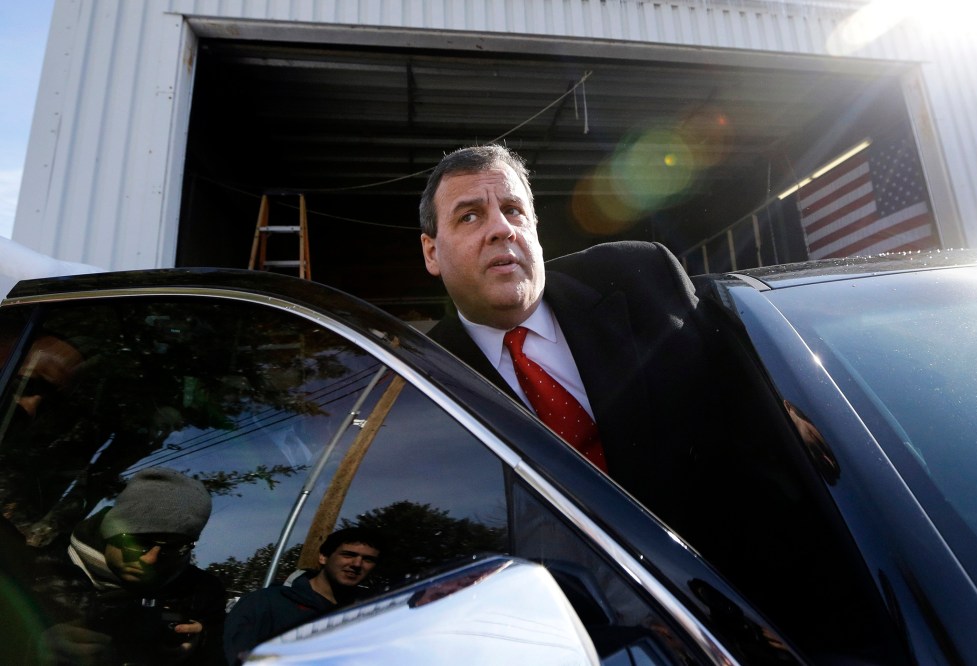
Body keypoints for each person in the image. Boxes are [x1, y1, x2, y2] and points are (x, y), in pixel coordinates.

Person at [419, 144, 719, 527]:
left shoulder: (641, 280)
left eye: (513, 210)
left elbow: (741, 421)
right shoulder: (419, 383)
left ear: (535, 228)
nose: (501, 229)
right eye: (470, 216)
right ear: (431, 253)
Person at [30, 467, 226, 666]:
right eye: (138, 542)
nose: (150, 559)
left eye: (173, 547)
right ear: (110, 531)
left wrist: (202, 646)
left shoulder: (202, 593)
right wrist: (31, 647)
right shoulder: (39, 569)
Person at [223, 527, 383, 666]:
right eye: (348, 555)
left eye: (368, 559)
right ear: (323, 557)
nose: (357, 564)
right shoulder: (264, 603)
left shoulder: (371, 617)